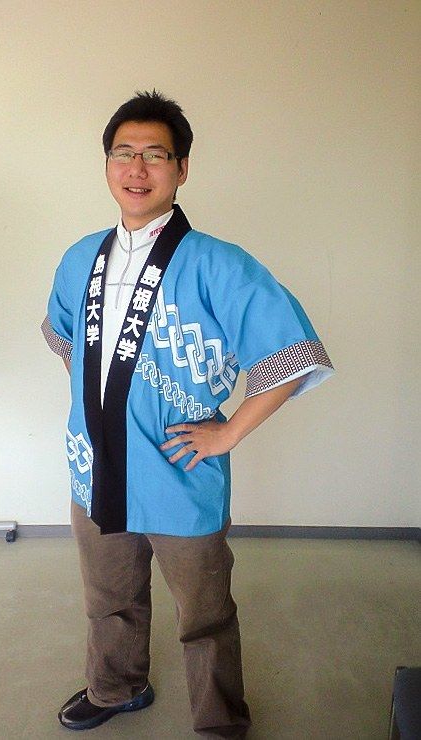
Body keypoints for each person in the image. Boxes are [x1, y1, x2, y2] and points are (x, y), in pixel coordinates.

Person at [41, 90, 334, 738]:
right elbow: (69, 343)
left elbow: (291, 356)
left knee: (205, 613)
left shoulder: (219, 264)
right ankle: (116, 687)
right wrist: (103, 409)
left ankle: (219, 720)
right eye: (124, 153)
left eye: (155, 155)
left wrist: (228, 433)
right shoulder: (79, 258)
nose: (137, 168)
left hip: (179, 468)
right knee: (108, 598)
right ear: (107, 165)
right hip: (95, 467)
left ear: (181, 168)